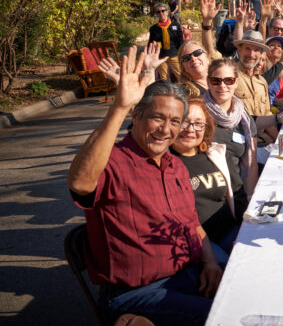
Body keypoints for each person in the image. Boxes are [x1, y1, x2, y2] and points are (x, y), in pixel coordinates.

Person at [67, 49, 222, 325]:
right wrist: (119, 106)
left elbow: (192, 223)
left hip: (189, 275)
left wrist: (210, 262)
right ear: (136, 116)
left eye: (175, 121)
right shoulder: (113, 161)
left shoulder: (174, 166)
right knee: (224, 318)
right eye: (157, 118)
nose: (166, 129)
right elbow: (80, 183)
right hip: (136, 294)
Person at [171, 97, 246, 265]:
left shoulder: (216, 154)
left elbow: (238, 191)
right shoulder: (166, 163)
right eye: (184, 122)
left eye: (198, 123)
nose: (190, 129)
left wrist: (246, 229)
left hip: (230, 231)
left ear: (206, 129)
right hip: (196, 243)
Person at [204, 58, 259, 197]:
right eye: (216, 81)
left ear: (236, 82)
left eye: (228, 80)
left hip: (237, 190)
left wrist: (249, 198)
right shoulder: (198, 114)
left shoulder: (244, 118)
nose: (222, 86)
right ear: (208, 82)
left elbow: (251, 163)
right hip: (210, 193)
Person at [148, 2, 184, 81]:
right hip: (161, 56)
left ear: (167, 12)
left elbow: (180, 41)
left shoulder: (175, 25)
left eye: (163, 11)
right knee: (164, 79)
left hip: (174, 54)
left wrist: (182, 53)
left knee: (181, 76)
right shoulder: (154, 28)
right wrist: (150, 55)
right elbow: (151, 43)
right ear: (156, 14)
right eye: (158, 12)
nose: (161, 13)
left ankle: (185, 92)